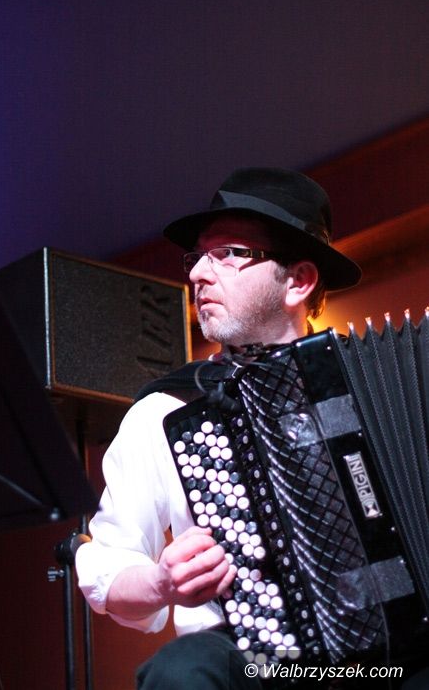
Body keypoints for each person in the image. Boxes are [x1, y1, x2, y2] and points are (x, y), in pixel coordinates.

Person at [75, 167, 363, 688]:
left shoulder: (368, 379)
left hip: (393, 655)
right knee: (183, 670)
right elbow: (109, 566)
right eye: (198, 257)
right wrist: (161, 583)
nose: (199, 275)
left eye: (228, 253)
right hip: (255, 662)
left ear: (298, 281)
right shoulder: (167, 410)